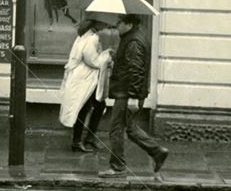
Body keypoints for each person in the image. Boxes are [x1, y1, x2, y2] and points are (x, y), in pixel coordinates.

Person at [99, 15, 169, 178]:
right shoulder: (133, 37)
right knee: (130, 129)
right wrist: (116, 56)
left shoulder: (134, 42)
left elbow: (136, 70)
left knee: (116, 129)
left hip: (126, 93)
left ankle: (117, 167)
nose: (116, 26)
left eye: (119, 23)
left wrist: (132, 97)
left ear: (129, 24)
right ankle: (157, 152)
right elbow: (130, 64)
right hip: (128, 91)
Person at [59, 19, 113, 152]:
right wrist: (107, 56)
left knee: (98, 105)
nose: (106, 25)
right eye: (103, 23)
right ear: (97, 23)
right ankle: (77, 141)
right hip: (86, 78)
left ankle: (88, 137)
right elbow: (92, 61)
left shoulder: (84, 35)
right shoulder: (92, 38)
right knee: (84, 107)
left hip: (84, 77)